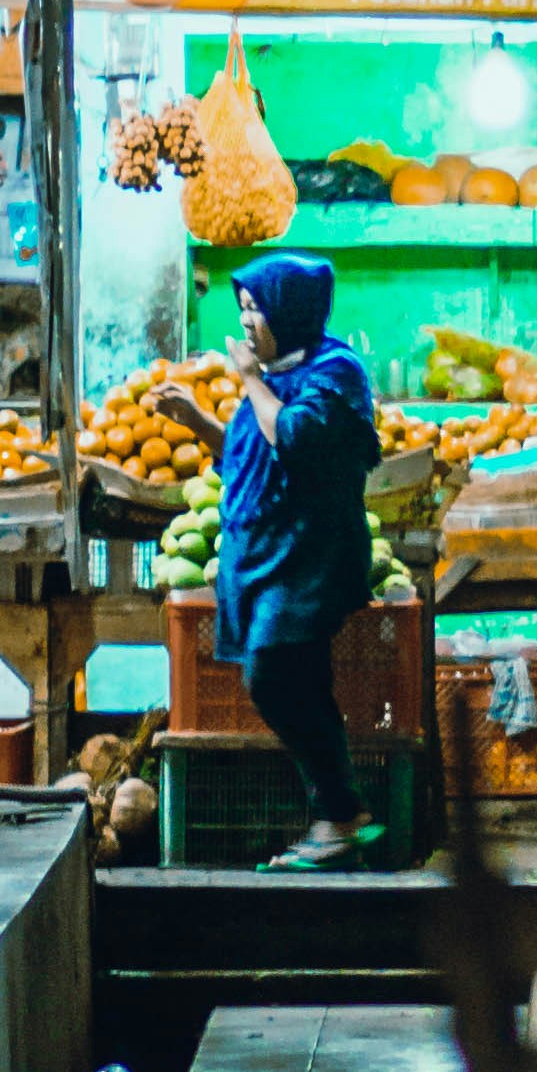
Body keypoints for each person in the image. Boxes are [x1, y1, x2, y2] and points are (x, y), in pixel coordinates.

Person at [208, 246, 383, 870]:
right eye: (244, 308)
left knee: (274, 673)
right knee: (293, 679)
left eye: (257, 308)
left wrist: (250, 379)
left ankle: (339, 811)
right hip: (262, 554)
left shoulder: (335, 372)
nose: (247, 321)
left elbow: (299, 437)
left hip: (308, 555)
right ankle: (336, 816)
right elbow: (249, 448)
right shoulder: (278, 371)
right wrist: (196, 420)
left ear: (292, 309)